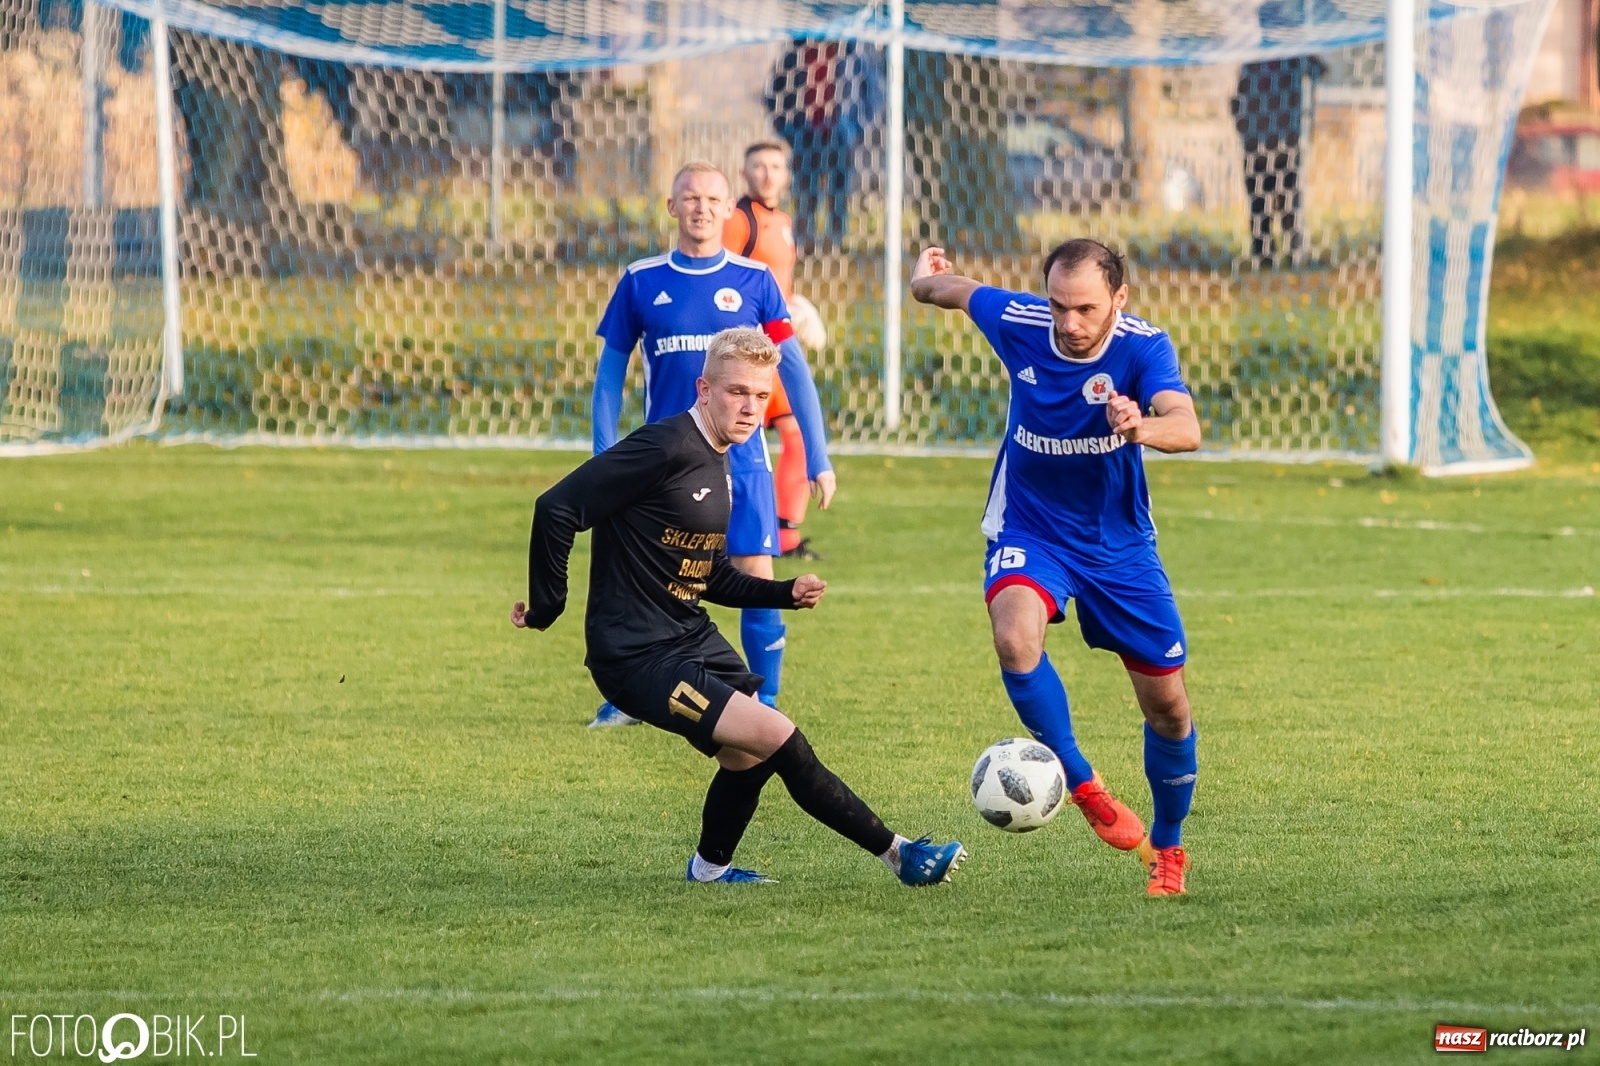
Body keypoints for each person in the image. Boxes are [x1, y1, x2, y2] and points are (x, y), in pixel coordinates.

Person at [515, 328, 966, 887]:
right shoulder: (663, 447)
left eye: (760, 395)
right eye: (736, 393)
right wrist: (547, 606)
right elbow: (556, 507)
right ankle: (900, 854)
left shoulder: (719, 457)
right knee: (779, 737)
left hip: (688, 636)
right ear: (704, 389)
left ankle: (709, 871)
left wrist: (783, 593)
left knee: (745, 755)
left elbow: (708, 575)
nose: (751, 407)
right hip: (635, 655)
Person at [909, 238, 1203, 897]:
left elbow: (1186, 425)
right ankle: (1082, 783)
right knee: (1014, 635)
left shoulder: (1142, 347)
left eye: (1086, 309)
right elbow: (947, 292)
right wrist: (923, 276)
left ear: (1118, 300)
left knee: (1170, 711)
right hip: (1030, 527)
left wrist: (1141, 426)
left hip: (1119, 547)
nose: (1069, 324)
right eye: (1058, 305)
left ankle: (1170, 847)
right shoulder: (1021, 321)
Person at [588, 161, 836, 727]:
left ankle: (764, 700)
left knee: (755, 573)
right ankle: (630, 697)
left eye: (712, 199)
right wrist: (605, 458)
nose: (701, 207)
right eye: (690, 197)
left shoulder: (755, 280)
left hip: (744, 462)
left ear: (729, 210)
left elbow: (794, 371)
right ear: (672, 208)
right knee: (651, 581)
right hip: (663, 462)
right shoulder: (641, 280)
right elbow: (609, 374)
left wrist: (818, 456)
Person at [723, 141, 819, 560]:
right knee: (742, 441)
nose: (766, 174)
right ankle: (738, 533)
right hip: (747, 351)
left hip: (774, 347)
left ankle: (785, 537)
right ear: (744, 173)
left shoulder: (781, 221)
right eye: (758, 166)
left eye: (775, 166)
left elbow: (779, 285)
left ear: (785, 174)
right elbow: (724, 284)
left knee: (795, 437)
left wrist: (798, 308)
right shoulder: (739, 221)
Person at [1231, 56, 1325, 268]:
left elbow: (1319, 70)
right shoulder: (1250, 63)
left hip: (1285, 147)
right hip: (1255, 148)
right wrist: (1243, 127)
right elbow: (1238, 96)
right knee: (1259, 208)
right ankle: (1263, 259)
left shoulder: (1292, 59)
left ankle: (1295, 257)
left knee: (1289, 206)